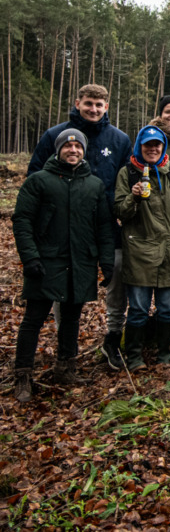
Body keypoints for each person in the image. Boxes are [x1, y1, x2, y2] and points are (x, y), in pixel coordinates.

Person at [29, 84, 132, 370]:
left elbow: (128, 177)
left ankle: (113, 337)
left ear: (106, 107)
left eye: (99, 105)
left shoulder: (120, 139)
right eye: (88, 103)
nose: (93, 109)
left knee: (118, 276)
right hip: (63, 228)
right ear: (77, 103)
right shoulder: (55, 136)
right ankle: (66, 350)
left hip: (108, 225)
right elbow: (35, 177)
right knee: (64, 283)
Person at [12, 129, 115, 402]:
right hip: (46, 261)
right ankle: (22, 374)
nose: (73, 151)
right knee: (33, 319)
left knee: (71, 317)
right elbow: (22, 221)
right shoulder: (39, 182)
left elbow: (103, 226)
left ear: (83, 151)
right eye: (68, 147)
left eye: (78, 147)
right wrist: (30, 257)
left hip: (81, 260)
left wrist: (106, 259)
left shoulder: (93, 185)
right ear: (58, 150)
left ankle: (65, 366)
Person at [114, 126, 170, 370]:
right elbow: (120, 212)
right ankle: (135, 356)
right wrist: (134, 197)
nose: (153, 149)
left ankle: (164, 355)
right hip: (138, 250)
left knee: (168, 309)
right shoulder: (128, 173)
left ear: (163, 146)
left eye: (157, 144)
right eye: (148, 145)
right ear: (140, 146)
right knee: (137, 309)